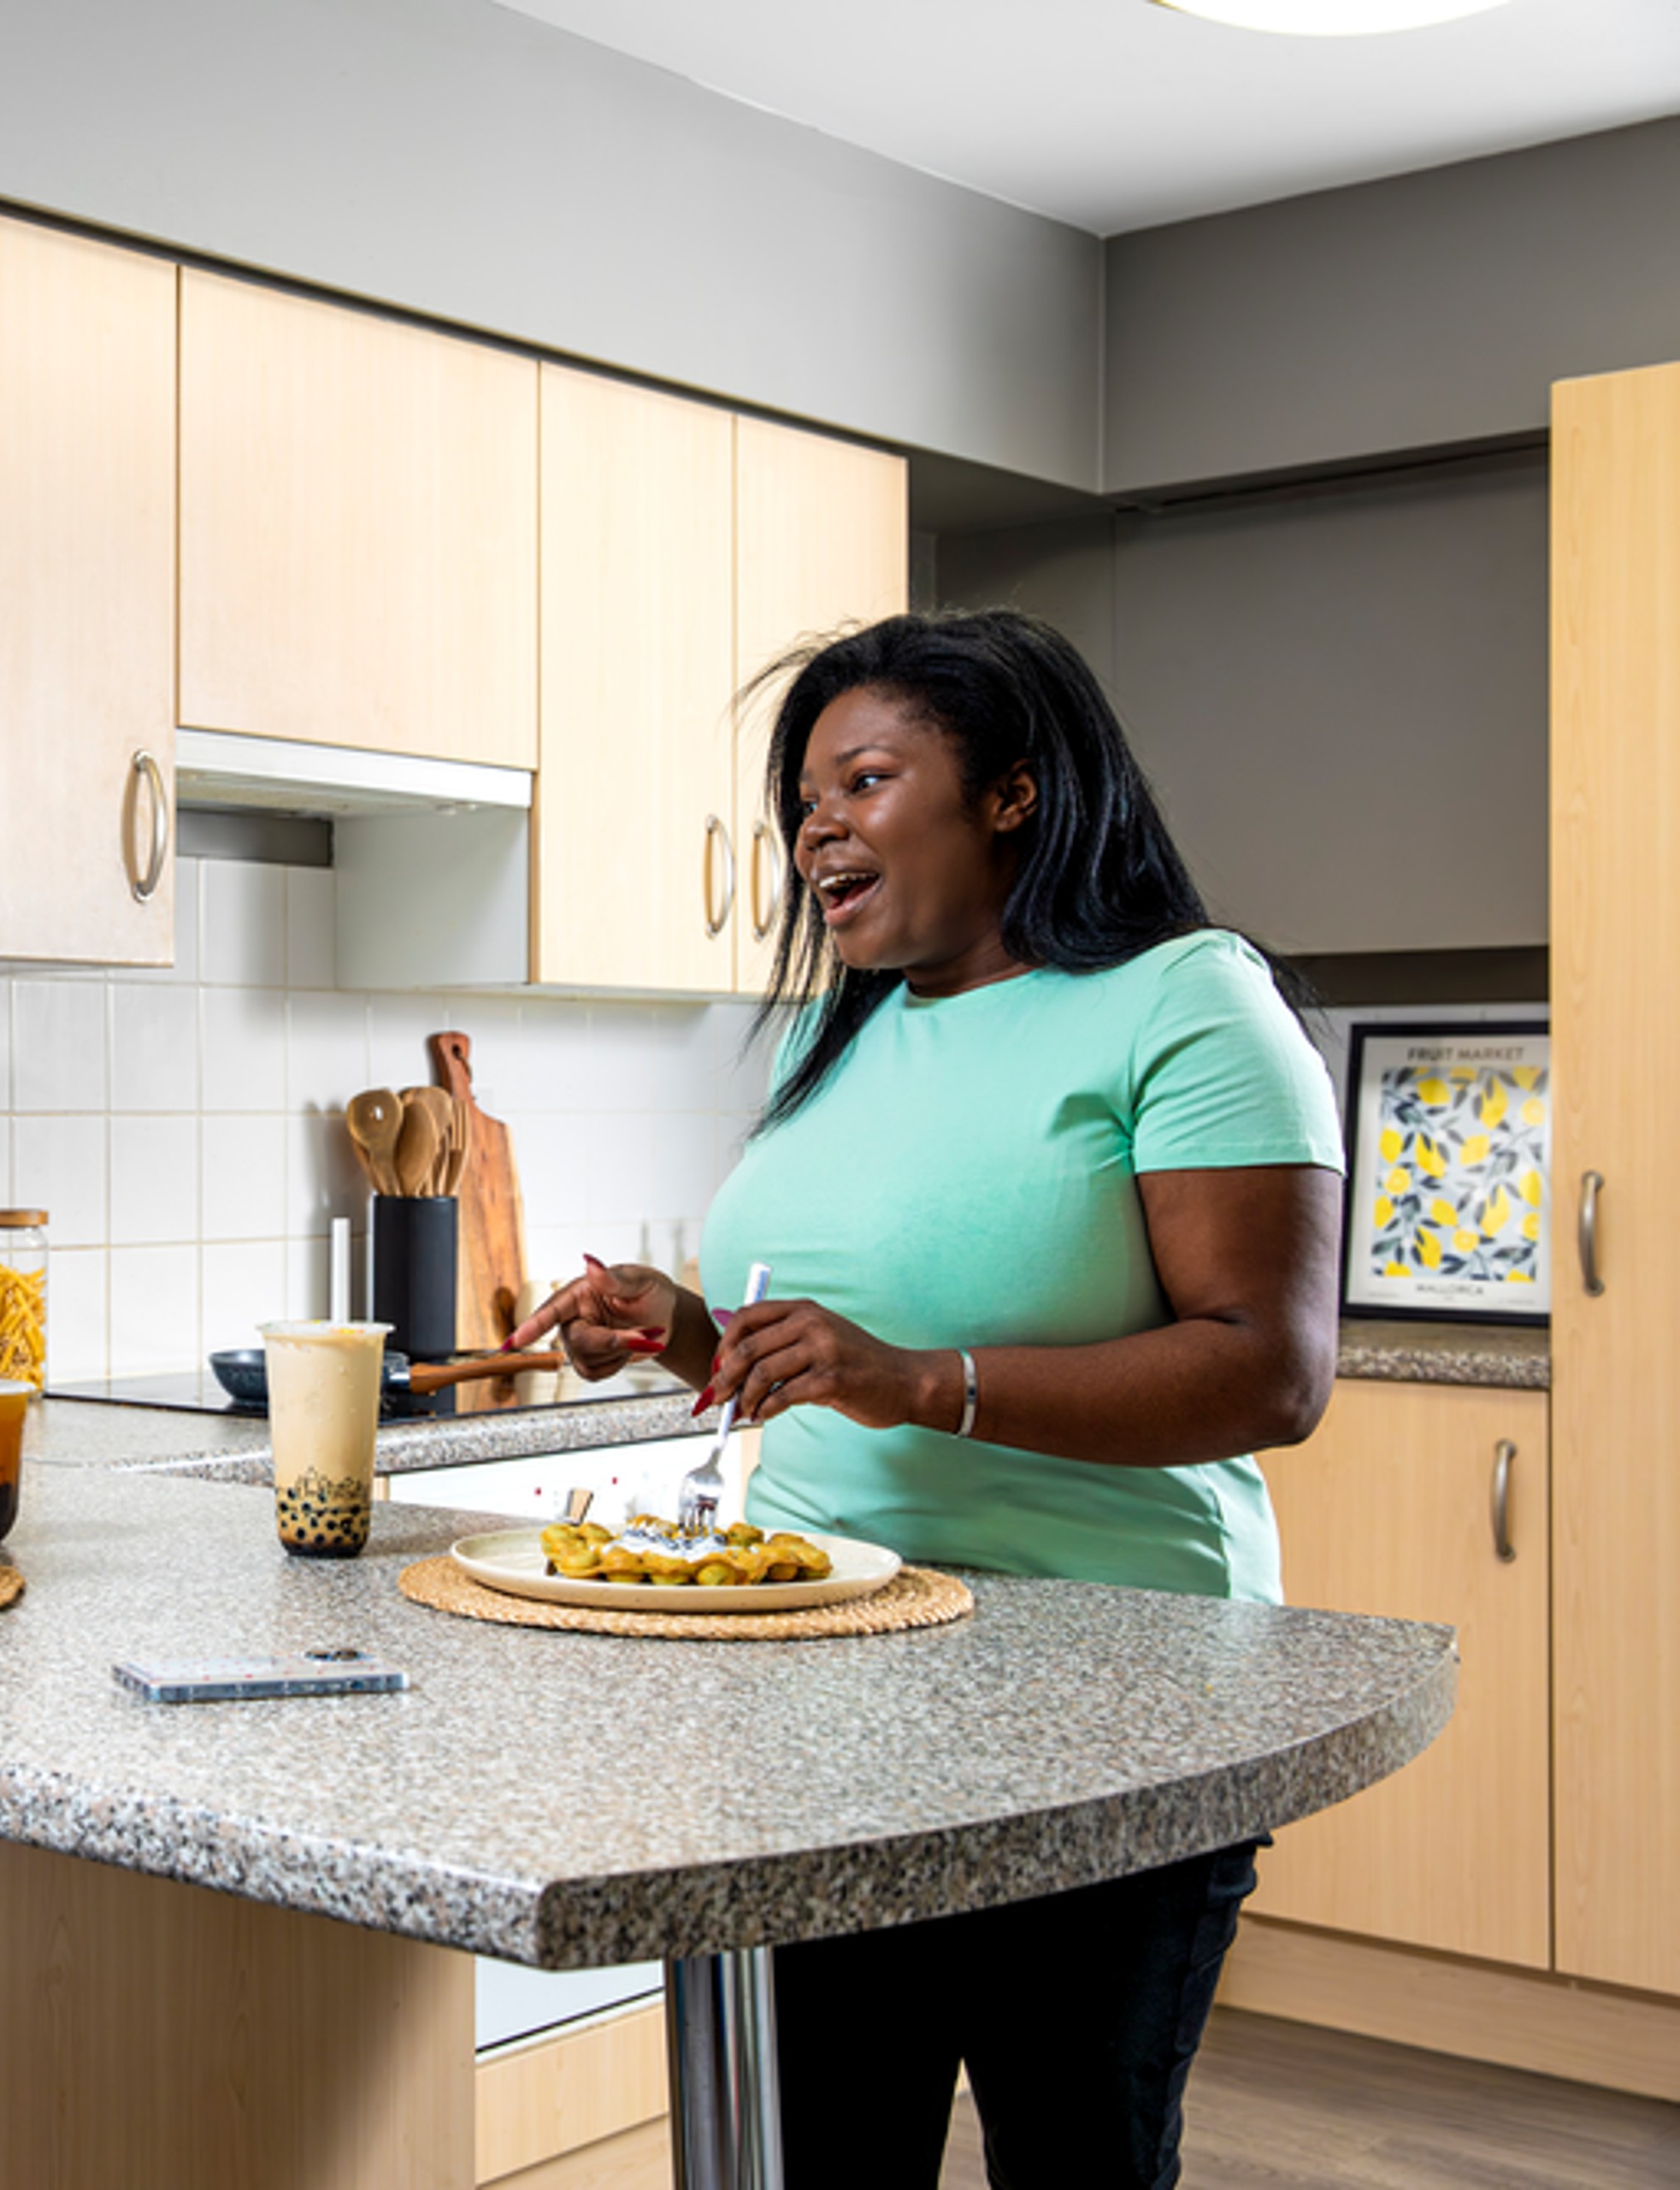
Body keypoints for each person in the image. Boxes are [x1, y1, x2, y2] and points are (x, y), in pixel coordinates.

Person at [509, 607, 1341, 2190]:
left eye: (865, 778)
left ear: (1012, 793)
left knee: (1077, 2157)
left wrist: (921, 1382)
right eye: (804, 797)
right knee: (816, 2155)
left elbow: (1270, 1367)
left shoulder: (1187, 1000)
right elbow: (838, 1367)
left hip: (1106, 1698)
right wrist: (689, 1330)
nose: (817, 823)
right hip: (821, 1693)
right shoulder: (839, 1028)